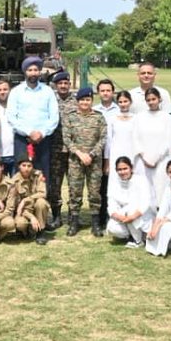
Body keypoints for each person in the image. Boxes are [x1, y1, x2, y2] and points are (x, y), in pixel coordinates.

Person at [5, 56, 60, 180]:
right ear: (25, 72)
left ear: (39, 72)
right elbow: (11, 117)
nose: (33, 73)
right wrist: (29, 132)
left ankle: (42, 193)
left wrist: (42, 133)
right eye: (30, 70)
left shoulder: (48, 91)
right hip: (22, 139)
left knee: (42, 175)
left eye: (36, 70)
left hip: (43, 139)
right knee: (22, 176)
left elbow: (54, 117)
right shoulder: (16, 92)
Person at [63, 86, 107, 236]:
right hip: (76, 160)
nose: (85, 102)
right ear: (78, 101)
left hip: (94, 161)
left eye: (88, 100)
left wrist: (92, 155)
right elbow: (67, 139)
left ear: (92, 101)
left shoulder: (99, 117)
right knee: (75, 191)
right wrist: (80, 154)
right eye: (82, 100)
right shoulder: (70, 117)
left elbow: (103, 139)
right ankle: (74, 221)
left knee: (94, 192)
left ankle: (95, 223)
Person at [132, 87, 171, 200]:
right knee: (144, 191)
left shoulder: (167, 118)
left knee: (160, 190)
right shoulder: (139, 117)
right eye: (148, 100)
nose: (151, 102)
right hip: (142, 161)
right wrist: (144, 157)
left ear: (159, 99)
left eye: (153, 99)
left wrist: (155, 158)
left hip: (162, 160)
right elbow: (135, 138)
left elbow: (168, 140)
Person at [48, 70, 77, 225]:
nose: (63, 86)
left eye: (66, 83)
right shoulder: (50, 100)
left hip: (73, 150)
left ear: (69, 84)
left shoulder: (77, 101)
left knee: (74, 184)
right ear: (56, 85)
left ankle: (73, 216)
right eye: (60, 83)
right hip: (56, 149)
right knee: (55, 184)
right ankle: (56, 216)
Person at [106, 156, 153, 248]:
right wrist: (120, 217)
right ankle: (131, 235)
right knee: (112, 227)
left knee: (131, 210)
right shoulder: (114, 183)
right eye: (119, 169)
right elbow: (111, 204)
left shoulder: (140, 180)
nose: (122, 172)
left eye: (125, 168)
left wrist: (132, 217)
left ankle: (138, 241)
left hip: (140, 215)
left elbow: (145, 202)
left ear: (131, 168)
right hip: (123, 216)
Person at [10, 146, 51, 245]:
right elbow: (16, 206)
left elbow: (43, 193)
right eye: (24, 165)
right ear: (19, 166)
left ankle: (40, 232)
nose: (26, 168)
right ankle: (24, 231)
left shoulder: (38, 175)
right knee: (21, 224)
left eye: (29, 166)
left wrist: (26, 199)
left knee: (41, 202)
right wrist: (31, 217)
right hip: (23, 211)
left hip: (36, 208)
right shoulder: (14, 181)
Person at [94, 79, 119, 230]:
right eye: (102, 90)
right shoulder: (94, 110)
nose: (105, 93)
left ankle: (113, 215)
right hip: (98, 152)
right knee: (100, 186)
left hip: (115, 152)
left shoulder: (119, 110)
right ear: (98, 92)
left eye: (108, 90)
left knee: (113, 186)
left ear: (113, 92)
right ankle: (100, 217)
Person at [0, 78, 17, 176]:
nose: (2, 92)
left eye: (5, 89)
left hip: (16, 153)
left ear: (10, 90)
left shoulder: (17, 106)